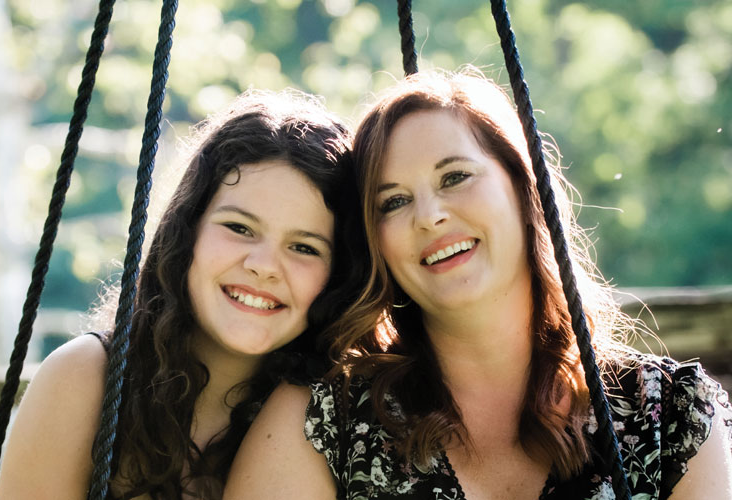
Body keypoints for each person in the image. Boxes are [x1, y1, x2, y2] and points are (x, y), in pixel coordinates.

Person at [225, 69, 732, 499]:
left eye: (454, 177)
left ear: (521, 187)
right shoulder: (324, 424)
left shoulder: (671, 416)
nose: (429, 217)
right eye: (394, 202)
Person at [0, 90, 369, 499]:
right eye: (239, 228)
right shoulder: (85, 381)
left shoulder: (344, 417)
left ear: (340, 275)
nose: (263, 265)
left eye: (304, 248)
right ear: (186, 231)